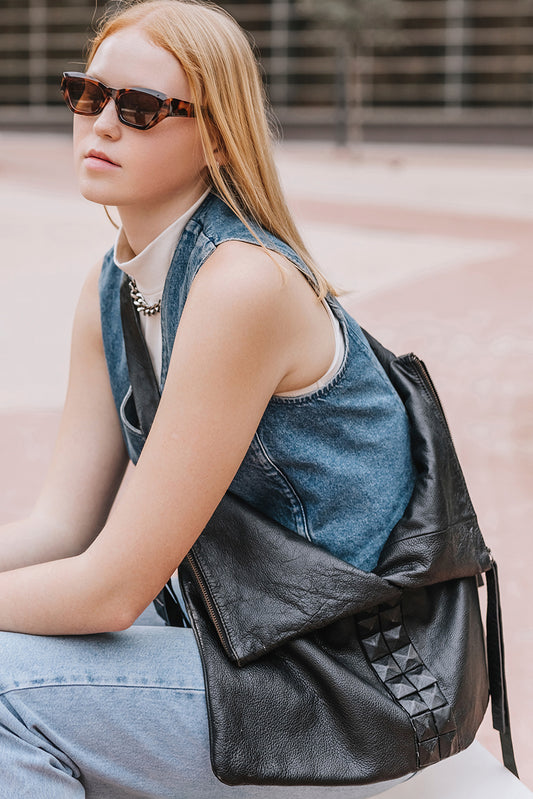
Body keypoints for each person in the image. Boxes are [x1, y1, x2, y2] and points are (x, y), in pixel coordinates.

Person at [0, 1, 416, 796]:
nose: (103, 125)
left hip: (331, 677)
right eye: (88, 96)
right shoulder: (111, 285)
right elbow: (62, 524)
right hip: (223, 639)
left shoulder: (242, 284)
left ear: (218, 136)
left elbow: (112, 589)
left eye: (141, 108)